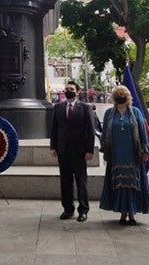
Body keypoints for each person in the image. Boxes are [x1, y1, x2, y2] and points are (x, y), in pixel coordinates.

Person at [99, 86, 149, 224]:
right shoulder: (109, 113)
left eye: (123, 94)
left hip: (133, 155)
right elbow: (105, 132)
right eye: (118, 94)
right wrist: (105, 150)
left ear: (128, 97)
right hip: (116, 155)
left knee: (132, 183)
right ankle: (122, 213)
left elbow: (143, 134)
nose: (121, 96)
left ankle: (132, 213)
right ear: (114, 97)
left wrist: (145, 151)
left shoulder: (136, 112)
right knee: (119, 183)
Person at [49, 81, 95, 222]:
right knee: (65, 181)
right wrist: (53, 146)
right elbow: (54, 129)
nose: (68, 91)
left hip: (80, 151)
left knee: (81, 181)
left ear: (77, 92)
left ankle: (83, 210)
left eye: (72, 89)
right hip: (63, 151)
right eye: (67, 89)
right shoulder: (57, 107)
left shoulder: (85, 108)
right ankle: (68, 209)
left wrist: (89, 150)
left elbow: (90, 131)